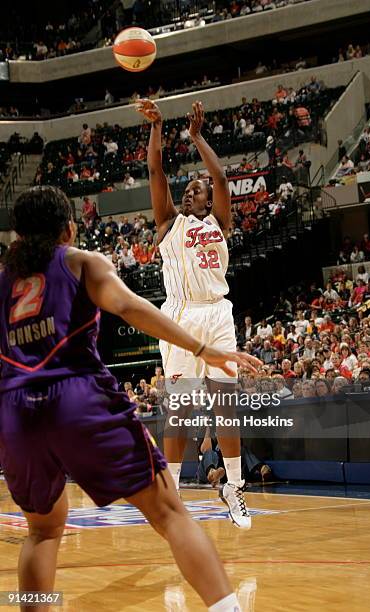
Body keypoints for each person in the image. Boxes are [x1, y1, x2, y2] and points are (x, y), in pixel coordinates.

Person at [0, 186, 261, 612]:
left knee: (42, 533)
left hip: (14, 409)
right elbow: (131, 306)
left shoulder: (3, 282)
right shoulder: (80, 261)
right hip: (76, 395)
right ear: (68, 228)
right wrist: (201, 348)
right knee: (169, 512)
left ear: (17, 236)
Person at [136, 98, 253, 529]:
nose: (191, 191)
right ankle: (173, 494)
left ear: (208, 200)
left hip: (216, 314)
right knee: (179, 410)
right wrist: (156, 128)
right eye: (188, 189)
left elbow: (221, 176)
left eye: (197, 190)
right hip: (179, 317)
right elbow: (155, 172)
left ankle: (234, 488)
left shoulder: (219, 224)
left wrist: (197, 137)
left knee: (226, 404)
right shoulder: (168, 224)